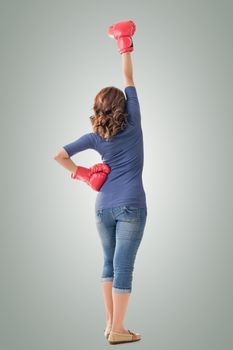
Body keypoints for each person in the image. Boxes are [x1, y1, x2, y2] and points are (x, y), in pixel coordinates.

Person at [53, 20, 147, 345]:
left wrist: (83, 174)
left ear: (99, 110)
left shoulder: (95, 136)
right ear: (122, 107)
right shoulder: (133, 121)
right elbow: (129, 78)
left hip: (103, 207)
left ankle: (110, 324)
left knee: (108, 263)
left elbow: (59, 155)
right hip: (132, 205)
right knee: (123, 267)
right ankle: (118, 330)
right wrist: (124, 43)